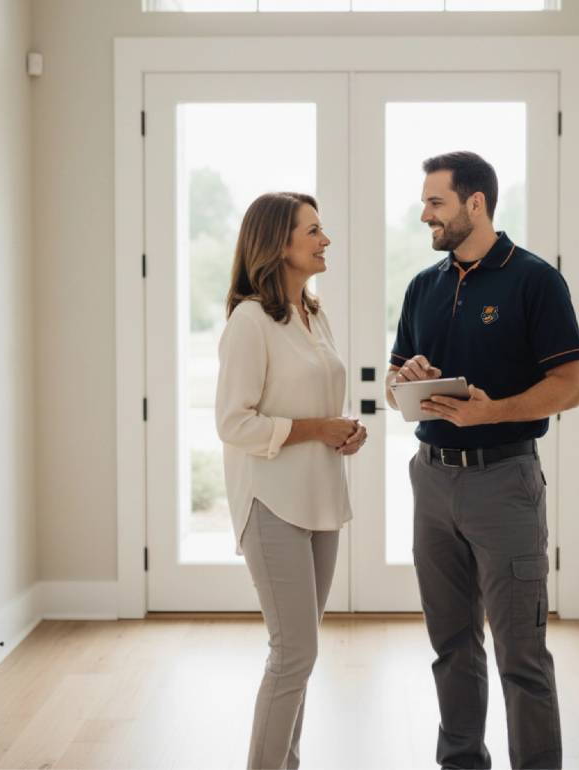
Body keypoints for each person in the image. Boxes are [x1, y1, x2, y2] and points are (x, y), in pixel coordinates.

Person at [386, 152, 579, 770]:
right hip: (431, 480)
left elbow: (571, 385)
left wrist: (492, 412)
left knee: (521, 653)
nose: (425, 214)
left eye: (436, 202)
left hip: (505, 481)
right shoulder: (423, 286)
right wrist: (405, 380)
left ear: (476, 203)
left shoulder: (534, 280)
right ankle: (461, 762)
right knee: (451, 643)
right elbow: (393, 384)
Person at [215, 192, 367, 770]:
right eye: (313, 231)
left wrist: (343, 431)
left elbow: (316, 404)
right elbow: (233, 423)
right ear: (279, 244)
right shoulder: (249, 322)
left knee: (300, 655)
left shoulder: (314, 314)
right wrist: (316, 429)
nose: (325, 240)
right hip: (271, 502)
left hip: (321, 499)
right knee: (294, 653)